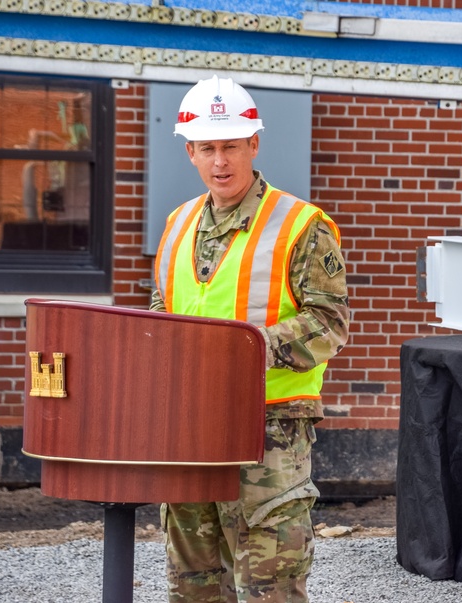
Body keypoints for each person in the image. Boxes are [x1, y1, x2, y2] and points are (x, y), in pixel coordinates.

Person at [149, 75, 349, 603]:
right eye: (209, 148)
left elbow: (330, 322)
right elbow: (161, 308)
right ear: (190, 150)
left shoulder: (302, 225)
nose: (221, 161)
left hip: (271, 430)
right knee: (194, 588)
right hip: (190, 429)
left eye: (232, 147)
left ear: (253, 144)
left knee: (269, 589)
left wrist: (242, 352)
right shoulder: (176, 224)